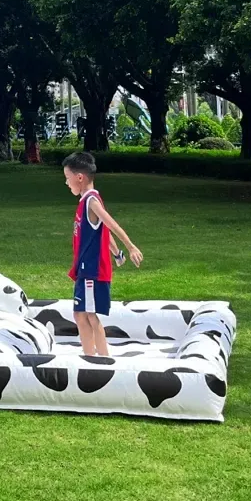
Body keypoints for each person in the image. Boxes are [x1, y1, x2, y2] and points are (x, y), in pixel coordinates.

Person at [62, 152, 143, 356]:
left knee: (88, 315)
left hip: (91, 269)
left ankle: (102, 360)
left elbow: (110, 223)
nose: (66, 182)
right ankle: (91, 357)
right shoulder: (86, 202)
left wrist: (131, 246)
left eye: (67, 177)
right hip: (85, 268)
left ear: (79, 177)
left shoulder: (91, 201)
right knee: (81, 315)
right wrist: (117, 253)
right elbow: (102, 233)